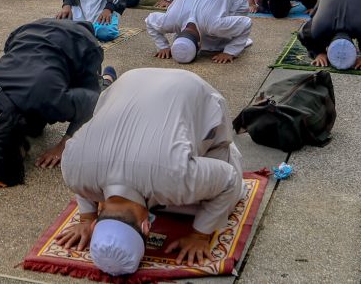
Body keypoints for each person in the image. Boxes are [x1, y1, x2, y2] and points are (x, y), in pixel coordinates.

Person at [57, 68, 243, 275]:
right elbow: (83, 185)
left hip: (194, 91)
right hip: (130, 78)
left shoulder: (176, 178)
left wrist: (200, 236)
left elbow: (229, 178)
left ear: (147, 227)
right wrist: (87, 218)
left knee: (226, 188)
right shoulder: (72, 169)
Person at [0, 19, 112, 184]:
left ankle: (106, 79)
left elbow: (92, 102)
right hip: (28, 30)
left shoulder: (53, 101)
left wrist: (65, 144)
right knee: (34, 124)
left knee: (104, 103)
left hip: (81, 41)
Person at [145, 0, 252, 65]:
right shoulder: (171, 21)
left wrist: (230, 52)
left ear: (200, 46)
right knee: (218, 32)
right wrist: (163, 47)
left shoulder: (214, 24)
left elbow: (246, 23)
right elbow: (149, 20)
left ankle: (226, 34)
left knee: (223, 30)